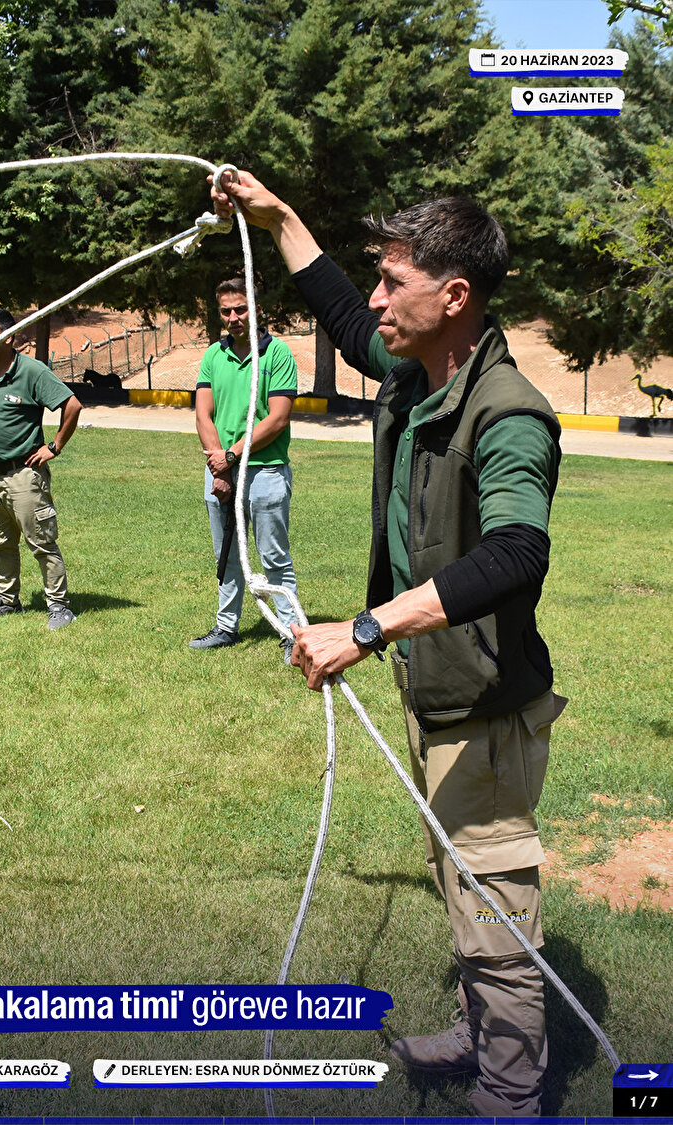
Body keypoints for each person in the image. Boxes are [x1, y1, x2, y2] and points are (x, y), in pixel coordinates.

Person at [212, 172, 567, 1116]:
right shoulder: (420, 368)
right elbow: (338, 313)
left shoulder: (508, 410)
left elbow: (517, 551)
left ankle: (509, 1093)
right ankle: (477, 1028)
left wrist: (366, 628)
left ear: (453, 296)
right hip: (437, 684)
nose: (375, 301)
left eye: (392, 281)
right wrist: (280, 218)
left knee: (495, 910)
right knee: (456, 873)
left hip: (484, 705)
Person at [190, 276, 300, 664]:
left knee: (273, 558)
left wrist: (232, 457)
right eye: (226, 311)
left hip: (265, 472)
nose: (234, 317)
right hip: (220, 469)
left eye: (241, 309)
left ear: (257, 310)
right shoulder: (213, 355)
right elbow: (203, 414)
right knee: (228, 554)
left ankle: (292, 634)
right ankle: (226, 627)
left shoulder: (278, 354)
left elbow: (278, 419)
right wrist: (218, 464)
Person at [0, 308, 82, 630]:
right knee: (0, 544)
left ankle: (59, 607)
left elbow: (72, 405)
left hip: (24, 475)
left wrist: (53, 447)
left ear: (9, 337)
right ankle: (7, 601)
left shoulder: (31, 371)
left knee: (42, 542)